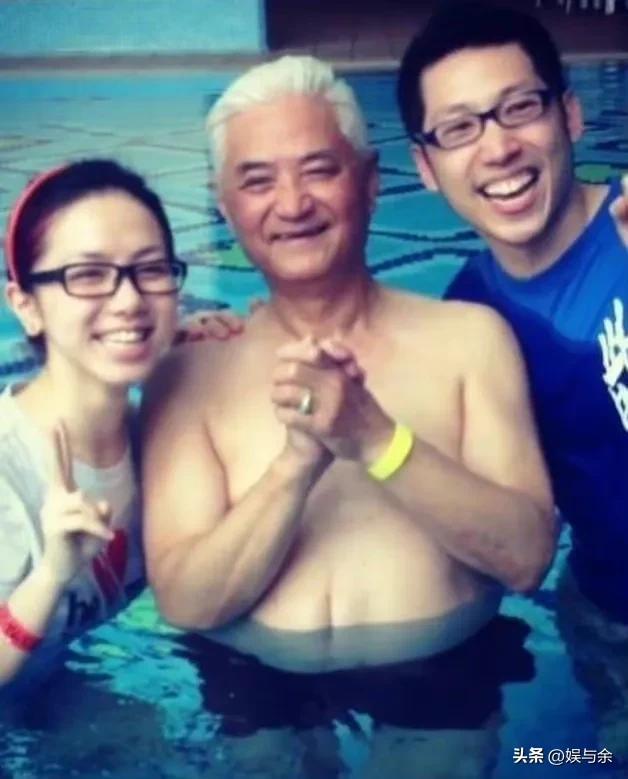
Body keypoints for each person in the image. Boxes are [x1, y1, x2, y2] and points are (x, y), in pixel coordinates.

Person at [142, 54, 553, 741]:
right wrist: (295, 466)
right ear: (225, 205)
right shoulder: (189, 373)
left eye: (318, 170)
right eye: (258, 181)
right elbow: (185, 601)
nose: (291, 204)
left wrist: (378, 441)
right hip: (250, 681)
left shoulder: (470, 340)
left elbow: (529, 557)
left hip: (443, 674)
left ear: (370, 182)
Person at [396, 0, 628, 760]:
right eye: (459, 128)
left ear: (570, 115)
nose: (497, 147)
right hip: (606, 619)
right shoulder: (465, 316)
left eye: (520, 108)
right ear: (426, 167)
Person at [0, 159, 185, 692]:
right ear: (26, 306)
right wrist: (51, 576)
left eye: (150, 270)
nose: (129, 301)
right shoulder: (9, 472)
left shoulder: (160, 433)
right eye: (87, 275)